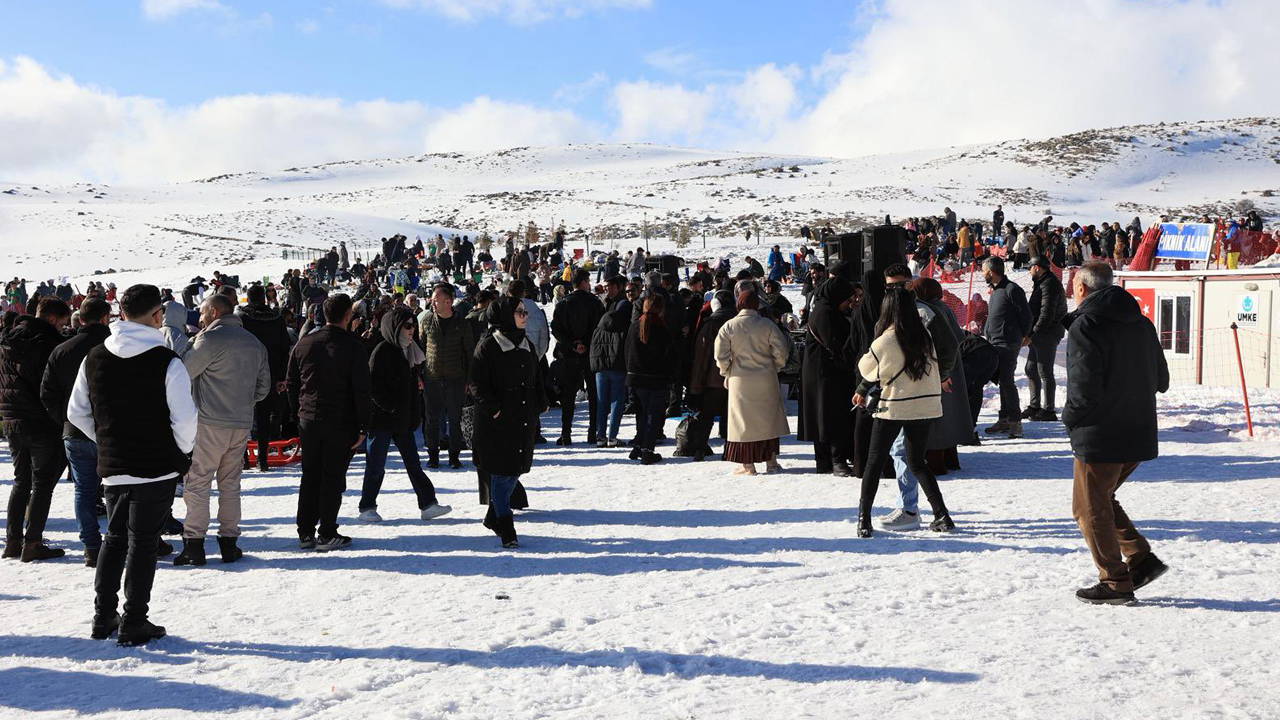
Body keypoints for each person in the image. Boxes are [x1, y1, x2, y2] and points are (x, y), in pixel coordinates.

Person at [67, 284, 198, 645]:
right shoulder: (166, 361)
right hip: (156, 465)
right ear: (157, 316)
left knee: (114, 539)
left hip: (114, 463)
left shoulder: (94, 356)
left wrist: (106, 440)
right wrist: (181, 452)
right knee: (143, 542)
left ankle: (103, 615)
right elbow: (186, 420)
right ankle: (135, 619)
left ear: (122, 313)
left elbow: (76, 412)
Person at [1063, 262, 1170, 604]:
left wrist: (1069, 419)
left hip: (1100, 433)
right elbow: (1162, 380)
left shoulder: (1086, 324)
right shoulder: (1141, 323)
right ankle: (1140, 558)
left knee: (1088, 509)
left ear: (1082, 288)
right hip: (1137, 429)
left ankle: (1115, 581)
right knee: (1100, 499)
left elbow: (1083, 389)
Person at [176, 294, 271, 566]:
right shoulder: (254, 342)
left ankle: (194, 544)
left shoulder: (209, 339)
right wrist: (243, 403)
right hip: (240, 423)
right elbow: (263, 388)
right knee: (230, 484)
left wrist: (191, 343)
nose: (200, 318)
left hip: (209, 422)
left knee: (198, 482)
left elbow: (183, 371)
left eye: (203, 312)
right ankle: (229, 543)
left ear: (215, 312)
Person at [853, 288, 955, 538]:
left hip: (894, 406)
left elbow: (866, 369)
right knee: (918, 462)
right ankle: (942, 515)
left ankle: (864, 520)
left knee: (874, 462)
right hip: (925, 406)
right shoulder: (924, 336)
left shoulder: (885, 340)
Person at [286, 293, 370, 552]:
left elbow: (292, 383)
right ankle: (327, 532)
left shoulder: (305, 343)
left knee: (310, 475)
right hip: (340, 420)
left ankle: (305, 531)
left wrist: (297, 412)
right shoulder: (353, 346)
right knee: (332, 476)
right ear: (348, 315)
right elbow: (361, 389)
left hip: (309, 417)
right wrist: (363, 425)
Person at [359, 305, 452, 522]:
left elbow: (410, 388)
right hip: (382, 420)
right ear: (395, 327)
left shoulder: (408, 350)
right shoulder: (382, 351)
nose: (412, 330)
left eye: (413, 326)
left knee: (413, 464)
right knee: (376, 466)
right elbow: (373, 388)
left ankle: (428, 504)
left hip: (402, 420)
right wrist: (392, 406)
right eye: (407, 326)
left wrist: (412, 414)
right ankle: (367, 507)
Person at [40, 298, 113, 565]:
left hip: (74, 429)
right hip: (111, 429)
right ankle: (119, 541)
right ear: (105, 318)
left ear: (80, 319)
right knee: (118, 487)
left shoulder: (62, 349)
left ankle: (91, 545)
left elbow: (47, 393)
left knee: (84, 490)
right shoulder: (115, 346)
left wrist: (65, 418)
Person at [1, 296, 73, 561]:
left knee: (21, 481)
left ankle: (13, 541)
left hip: (12, 418)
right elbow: (48, 386)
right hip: (40, 421)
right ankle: (32, 542)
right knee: (42, 483)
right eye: (62, 323)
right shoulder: (46, 343)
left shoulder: (8, 339)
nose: (63, 328)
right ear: (52, 319)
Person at [470, 296, 543, 548]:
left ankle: (493, 516)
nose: (525, 316)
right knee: (502, 475)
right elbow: (476, 384)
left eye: (525, 311)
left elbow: (537, 376)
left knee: (515, 471)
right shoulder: (489, 346)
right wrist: (495, 410)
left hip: (522, 418)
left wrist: (541, 402)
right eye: (519, 312)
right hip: (497, 423)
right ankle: (506, 528)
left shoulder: (526, 343)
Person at [714, 291, 791, 475]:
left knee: (743, 424)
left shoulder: (729, 326)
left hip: (740, 381)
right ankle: (771, 462)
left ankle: (747, 465)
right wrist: (775, 366)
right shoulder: (767, 324)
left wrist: (727, 371)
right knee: (768, 421)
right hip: (766, 379)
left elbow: (720, 355)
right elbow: (782, 351)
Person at [797, 263, 860, 476]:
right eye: (847, 300)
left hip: (823, 372)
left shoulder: (825, 309)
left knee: (825, 416)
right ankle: (835, 460)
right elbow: (836, 344)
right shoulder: (825, 313)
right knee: (831, 416)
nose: (849, 304)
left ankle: (826, 461)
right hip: (824, 373)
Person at [419, 282, 476, 469]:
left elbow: (469, 353)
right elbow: (420, 349)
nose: (433, 303)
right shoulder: (427, 321)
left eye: (436, 300)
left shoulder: (462, 324)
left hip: (456, 378)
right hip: (432, 378)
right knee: (432, 419)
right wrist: (419, 375)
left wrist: (469, 380)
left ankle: (454, 456)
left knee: (454, 419)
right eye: (432, 300)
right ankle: (433, 455)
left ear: (448, 302)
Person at [237, 285, 293, 472]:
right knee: (264, 417)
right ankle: (263, 459)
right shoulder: (276, 318)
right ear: (264, 298)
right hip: (271, 372)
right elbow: (284, 348)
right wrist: (281, 376)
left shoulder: (242, 318)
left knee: (243, 417)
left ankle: (244, 458)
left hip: (246, 373)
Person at [550, 269, 604, 445]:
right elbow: (599, 328)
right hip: (590, 354)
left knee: (568, 396)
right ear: (584, 282)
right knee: (593, 394)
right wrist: (585, 344)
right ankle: (593, 432)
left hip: (568, 355)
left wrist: (573, 344)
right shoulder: (595, 303)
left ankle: (566, 433)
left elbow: (556, 329)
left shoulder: (563, 303)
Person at [981, 256, 1031, 438]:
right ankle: (1004, 418)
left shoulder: (1012, 289)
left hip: (1008, 342)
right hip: (994, 342)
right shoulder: (996, 291)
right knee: (1001, 380)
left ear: (991, 272)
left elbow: (1026, 315)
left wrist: (1026, 335)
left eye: (983, 271)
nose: (982, 274)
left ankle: (1016, 422)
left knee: (1007, 381)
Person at [624, 294, 675, 464]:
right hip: (656, 379)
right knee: (653, 416)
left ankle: (639, 445)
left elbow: (627, 352)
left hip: (635, 378)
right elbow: (669, 357)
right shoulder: (661, 329)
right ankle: (647, 449)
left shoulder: (635, 326)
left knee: (641, 415)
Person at [686, 289, 736, 461]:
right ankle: (730, 450)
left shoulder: (711, 324)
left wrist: (696, 383)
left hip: (712, 379)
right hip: (736, 378)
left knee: (706, 416)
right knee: (731, 417)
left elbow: (702, 356)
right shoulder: (739, 323)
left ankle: (699, 449)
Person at [1022, 257, 1068, 422]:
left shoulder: (1049, 284)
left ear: (1037, 267)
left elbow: (1046, 313)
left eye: (1030, 268)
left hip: (1047, 333)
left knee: (1044, 371)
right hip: (1040, 332)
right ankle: (1035, 406)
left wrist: (1032, 334)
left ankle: (1049, 410)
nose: (1029, 271)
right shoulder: (1042, 282)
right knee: (1030, 368)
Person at [589, 276, 631, 448]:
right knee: (616, 402)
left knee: (602, 402)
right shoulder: (624, 308)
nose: (607, 290)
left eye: (610, 287)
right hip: (617, 361)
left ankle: (601, 436)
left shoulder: (603, 309)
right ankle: (612, 437)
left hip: (601, 361)